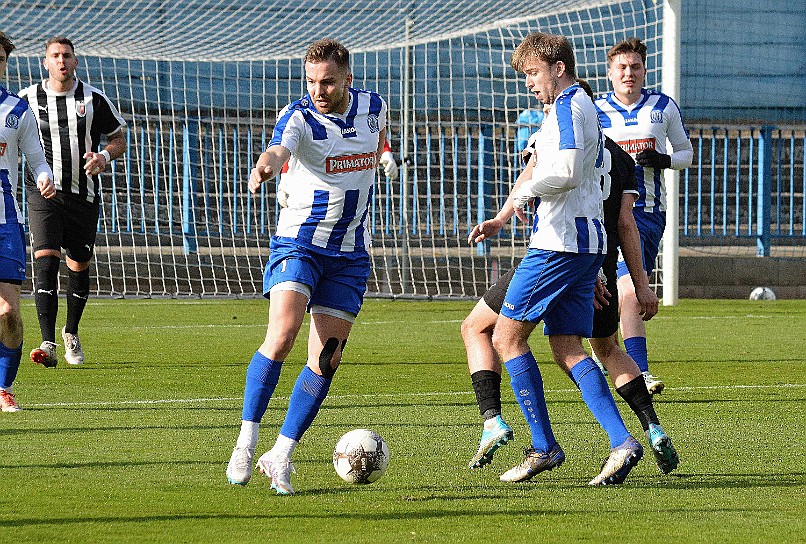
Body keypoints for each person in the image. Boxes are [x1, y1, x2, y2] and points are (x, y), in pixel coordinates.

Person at [463, 80, 679, 478]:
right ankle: (632, 436)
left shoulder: (560, 127)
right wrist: (621, 275)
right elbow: (618, 220)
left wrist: (515, 204)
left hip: (556, 249)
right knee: (576, 346)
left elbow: (552, 178)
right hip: (592, 255)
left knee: (501, 336)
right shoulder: (614, 155)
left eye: (534, 77)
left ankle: (538, 443)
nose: (533, 91)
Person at [225, 38, 389, 495]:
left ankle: (279, 455)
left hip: (351, 254)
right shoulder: (297, 117)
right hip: (300, 241)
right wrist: (264, 167)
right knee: (282, 334)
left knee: (327, 357)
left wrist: (387, 156)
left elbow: (377, 137)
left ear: (347, 80)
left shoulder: (373, 106)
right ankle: (246, 439)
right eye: (312, 81)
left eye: (328, 82)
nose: (319, 89)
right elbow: (279, 149)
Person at [18, 36, 126, 367]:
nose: (61, 60)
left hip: (84, 194)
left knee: (78, 264)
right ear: (45, 63)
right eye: (55, 56)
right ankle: (47, 342)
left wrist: (105, 157)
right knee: (46, 261)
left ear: (75, 62)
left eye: (67, 55)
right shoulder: (27, 99)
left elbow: (119, 137)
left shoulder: (93, 99)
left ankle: (71, 331)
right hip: (43, 193)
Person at [595, 37, 693, 394]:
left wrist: (664, 160)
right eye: (621, 67)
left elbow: (686, 153)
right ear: (610, 73)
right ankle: (608, 356)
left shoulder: (663, 107)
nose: (628, 73)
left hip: (646, 214)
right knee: (603, 288)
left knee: (628, 289)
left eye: (635, 67)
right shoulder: (594, 108)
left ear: (644, 70)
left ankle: (638, 370)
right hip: (602, 213)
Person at [0, 32, 56, 412]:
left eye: (0, 59)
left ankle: (3, 387)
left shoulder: (16, 110)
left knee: (7, 313)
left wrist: (43, 175)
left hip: (5, 223)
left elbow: (36, 157)